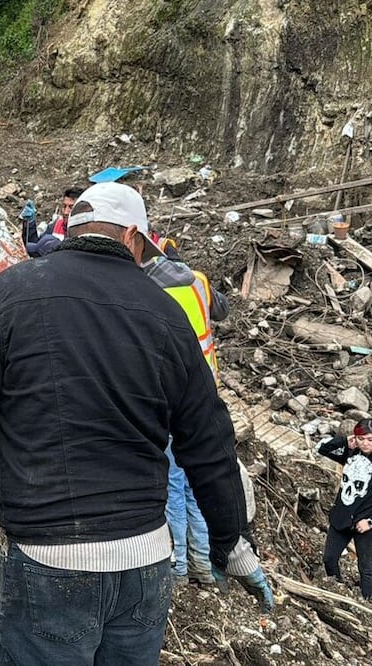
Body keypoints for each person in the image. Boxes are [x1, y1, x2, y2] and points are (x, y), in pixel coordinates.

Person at [0, 182, 274, 665]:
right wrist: (230, 541)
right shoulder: (166, 313)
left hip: (50, 560)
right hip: (145, 564)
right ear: (132, 235)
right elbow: (209, 440)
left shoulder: (14, 291)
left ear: (71, 227)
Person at [142, 239, 231, 587]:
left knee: (173, 486)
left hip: (167, 397)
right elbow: (221, 310)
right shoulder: (198, 280)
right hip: (205, 392)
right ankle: (204, 564)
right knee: (197, 483)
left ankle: (177, 567)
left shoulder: (145, 288)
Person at [319, 418, 372, 599]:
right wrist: (345, 440)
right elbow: (322, 448)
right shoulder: (351, 452)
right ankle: (337, 588)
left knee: (365, 566)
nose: (365, 444)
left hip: (366, 521)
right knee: (329, 558)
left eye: (370, 439)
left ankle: (366, 600)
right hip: (342, 515)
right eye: (361, 439)